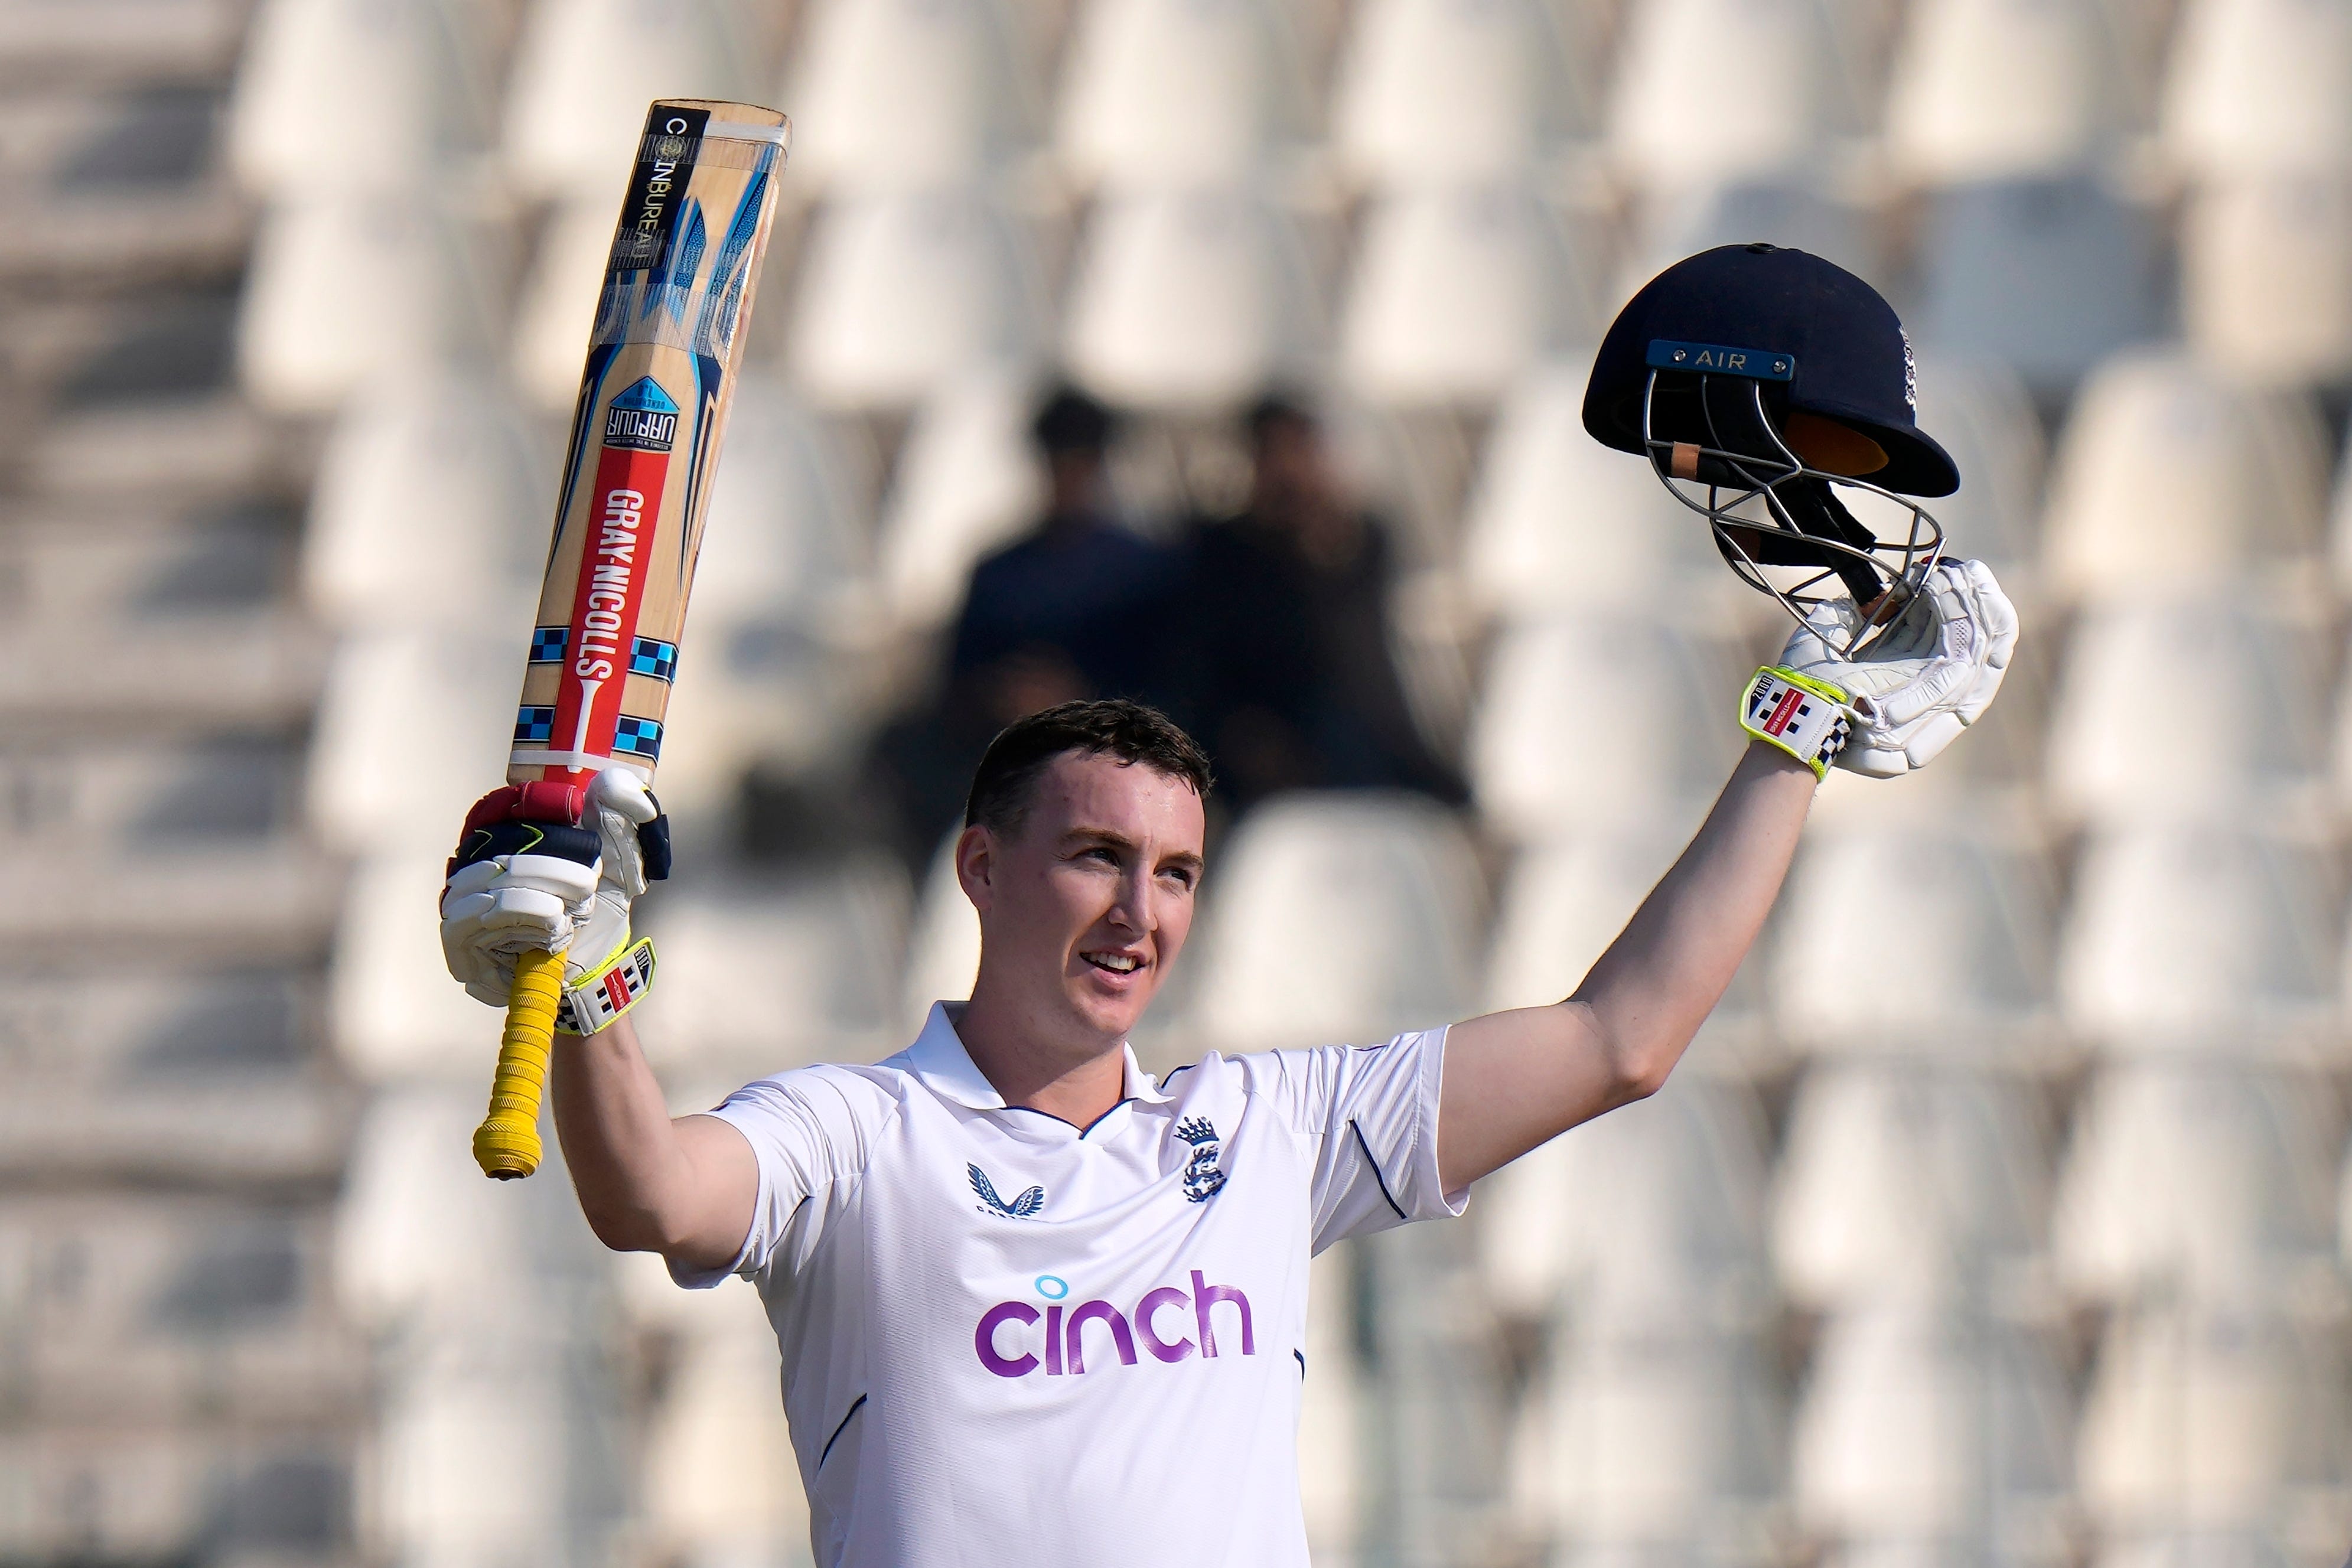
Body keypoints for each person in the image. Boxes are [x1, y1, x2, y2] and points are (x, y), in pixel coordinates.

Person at [436, 245, 2017, 1568]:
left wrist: (1794, 737)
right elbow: (646, 1190)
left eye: (1175, 870)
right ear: (977, 866)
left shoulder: (1261, 1134)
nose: (1138, 909)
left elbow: (1621, 1036)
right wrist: (584, 981)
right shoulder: (851, 1139)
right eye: (1093, 856)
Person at [865, 384, 1180, 868]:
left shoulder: (1143, 574)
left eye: (1081, 462)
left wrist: (1080, 701)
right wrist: (1004, 694)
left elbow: (1171, 689)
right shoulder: (998, 570)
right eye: (1059, 461)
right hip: (1003, 743)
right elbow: (956, 684)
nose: (1069, 477)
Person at [1171, 393, 1467, 811]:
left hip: (1351, 729)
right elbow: (1211, 661)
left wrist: (1321, 540)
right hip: (1257, 732)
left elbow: (1358, 651)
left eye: (1299, 450)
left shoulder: (1355, 541)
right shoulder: (1221, 550)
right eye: (1275, 452)